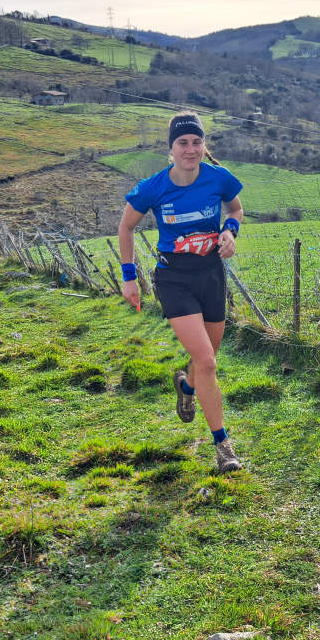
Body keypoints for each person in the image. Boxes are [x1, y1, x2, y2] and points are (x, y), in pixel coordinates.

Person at [117, 113, 245, 472]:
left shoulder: (218, 178)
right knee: (207, 361)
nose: (190, 149)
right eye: (183, 143)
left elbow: (234, 208)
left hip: (210, 274)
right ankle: (223, 447)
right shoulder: (153, 187)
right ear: (170, 149)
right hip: (174, 278)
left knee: (206, 360)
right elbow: (126, 228)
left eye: (196, 142)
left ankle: (187, 390)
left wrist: (230, 232)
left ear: (204, 145)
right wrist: (130, 278)